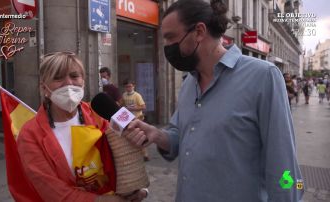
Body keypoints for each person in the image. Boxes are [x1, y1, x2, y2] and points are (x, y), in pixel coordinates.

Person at [123, 0, 303, 201]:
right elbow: (179, 136)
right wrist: (156, 134)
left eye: (171, 37)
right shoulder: (189, 83)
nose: (166, 47)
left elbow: (284, 164)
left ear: (199, 31)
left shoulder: (263, 77)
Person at [17, 52, 147, 202]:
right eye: (58, 78)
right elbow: (51, 191)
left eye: (74, 76)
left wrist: (137, 188)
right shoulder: (30, 134)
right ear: (44, 88)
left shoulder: (98, 113)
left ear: (83, 81)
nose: (68, 83)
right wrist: (99, 201)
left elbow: (122, 153)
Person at [121, 79, 149, 161]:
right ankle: (133, 154)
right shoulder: (124, 95)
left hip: (138, 118)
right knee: (130, 137)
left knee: (140, 136)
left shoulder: (137, 95)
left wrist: (134, 108)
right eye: (127, 87)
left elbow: (143, 106)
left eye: (130, 86)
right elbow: (122, 104)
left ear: (133, 86)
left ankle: (145, 154)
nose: (128, 88)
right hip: (128, 119)